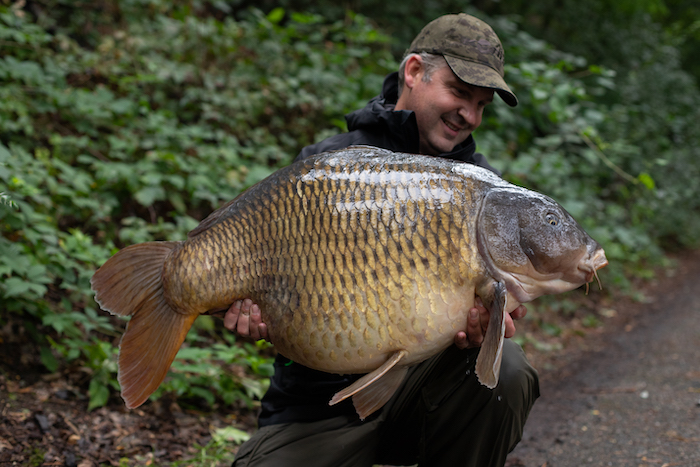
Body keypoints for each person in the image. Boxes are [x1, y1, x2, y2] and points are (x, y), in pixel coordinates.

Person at [224, 13, 539, 467]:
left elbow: (492, 322)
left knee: (506, 370)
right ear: (413, 71)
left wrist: (481, 335)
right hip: (319, 410)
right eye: (459, 92)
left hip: (422, 405)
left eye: (481, 105)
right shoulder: (325, 166)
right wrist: (255, 315)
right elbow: (272, 299)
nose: (470, 115)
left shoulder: (482, 192)